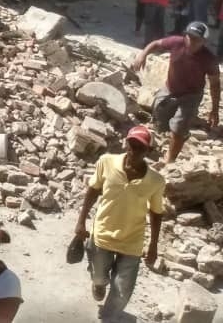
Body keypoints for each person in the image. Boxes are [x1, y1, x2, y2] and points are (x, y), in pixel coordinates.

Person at [74, 126, 164, 320]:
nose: (134, 150)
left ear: (148, 150)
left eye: (140, 147)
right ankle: (98, 283)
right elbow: (92, 190)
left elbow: (156, 213)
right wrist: (81, 222)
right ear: (126, 143)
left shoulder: (156, 181)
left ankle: (108, 318)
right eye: (131, 144)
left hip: (132, 242)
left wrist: (153, 246)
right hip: (102, 234)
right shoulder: (106, 162)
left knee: (122, 290)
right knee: (99, 277)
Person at [132, 21, 220, 162]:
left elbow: (215, 85)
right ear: (185, 36)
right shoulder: (176, 42)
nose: (192, 41)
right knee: (160, 123)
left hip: (191, 96)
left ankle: (170, 159)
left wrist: (214, 109)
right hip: (170, 89)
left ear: (204, 41)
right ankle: (182, 130)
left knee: (178, 128)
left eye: (197, 39)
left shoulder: (209, 59)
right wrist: (143, 55)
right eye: (189, 37)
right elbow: (155, 44)